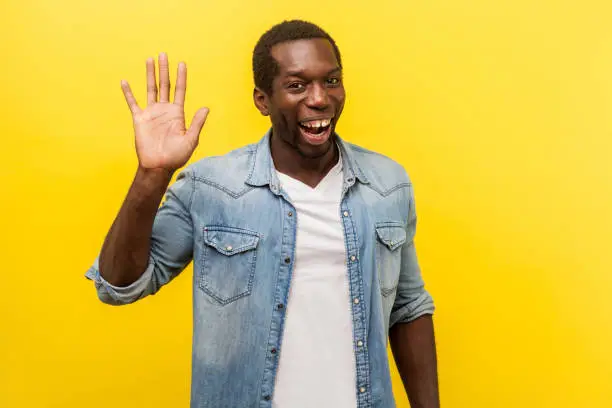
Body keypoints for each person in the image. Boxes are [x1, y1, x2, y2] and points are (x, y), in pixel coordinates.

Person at [85, 19, 439, 408]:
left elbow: (409, 308)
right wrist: (152, 175)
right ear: (262, 100)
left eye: (331, 80)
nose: (320, 98)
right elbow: (118, 285)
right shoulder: (212, 187)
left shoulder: (387, 184)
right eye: (297, 85)